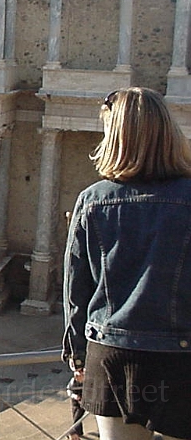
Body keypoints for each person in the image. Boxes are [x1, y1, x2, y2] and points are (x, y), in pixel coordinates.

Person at [63, 87, 191, 440]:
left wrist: (76, 358)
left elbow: (77, 291)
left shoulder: (92, 201)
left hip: (112, 355)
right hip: (181, 358)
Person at [66, 370, 85, 440]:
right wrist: (75, 396)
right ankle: (79, 432)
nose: (78, 378)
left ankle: (73, 433)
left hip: (82, 402)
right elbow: (68, 390)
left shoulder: (85, 381)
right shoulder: (72, 381)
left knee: (77, 418)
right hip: (75, 402)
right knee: (75, 416)